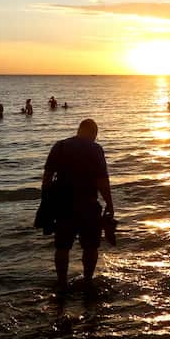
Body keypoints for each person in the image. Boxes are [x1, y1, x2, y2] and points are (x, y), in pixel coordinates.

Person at [41, 119, 115, 290]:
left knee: (62, 247)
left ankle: (61, 283)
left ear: (79, 130)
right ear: (93, 133)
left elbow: (46, 178)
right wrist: (110, 204)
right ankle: (88, 281)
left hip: (63, 205)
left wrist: (46, 202)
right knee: (90, 247)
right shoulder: (95, 149)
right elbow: (102, 181)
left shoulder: (59, 146)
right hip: (88, 205)